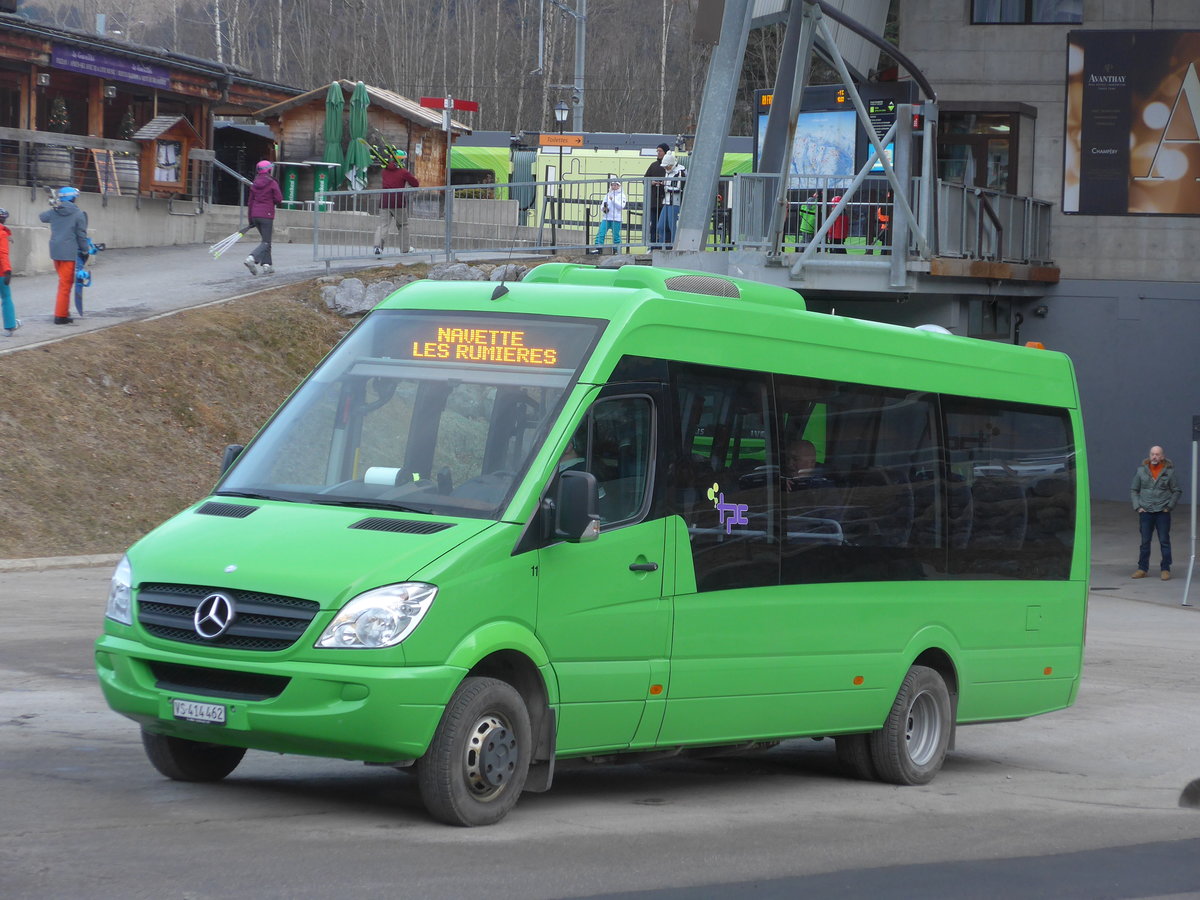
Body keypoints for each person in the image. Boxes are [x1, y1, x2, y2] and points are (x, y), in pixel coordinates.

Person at [38, 186, 88, 325]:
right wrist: (85, 250)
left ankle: (64, 311)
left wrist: (54, 205)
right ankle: (60, 316)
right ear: (72, 198)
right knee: (65, 285)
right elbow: (81, 235)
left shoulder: (55, 211)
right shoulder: (79, 214)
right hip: (69, 253)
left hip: (55, 252)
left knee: (63, 282)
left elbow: (42, 217)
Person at [1130, 445, 1182, 580]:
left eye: (1157, 454)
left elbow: (1176, 490)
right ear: (1149, 455)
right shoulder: (1141, 471)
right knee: (1145, 541)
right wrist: (1137, 507)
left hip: (1162, 512)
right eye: (1152, 454)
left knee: (1164, 541)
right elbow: (1134, 490)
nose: (1154, 457)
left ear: (1162, 456)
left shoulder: (1169, 472)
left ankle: (1165, 569)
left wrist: (1169, 506)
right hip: (1146, 511)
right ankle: (1142, 568)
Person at [373, 148, 420, 255]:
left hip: (384, 201)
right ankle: (405, 248)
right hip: (398, 202)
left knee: (383, 225)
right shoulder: (403, 172)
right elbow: (415, 183)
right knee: (403, 225)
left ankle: (378, 247)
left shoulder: (385, 171)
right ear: (401, 160)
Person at [244, 160, 282, 276]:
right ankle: (251, 258)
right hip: (267, 215)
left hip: (255, 214)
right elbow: (279, 198)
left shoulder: (254, 184)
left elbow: (250, 202)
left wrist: (250, 220)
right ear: (269, 170)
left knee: (266, 240)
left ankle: (267, 265)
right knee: (266, 242)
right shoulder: (272, 183)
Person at [655, 151, 687, 249]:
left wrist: (665, 187)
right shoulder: (668, 171)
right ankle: (663, 247)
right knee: (661, 226)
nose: (665, 168)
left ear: (671, 164)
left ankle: (675, 248)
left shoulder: (680, 171)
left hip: (675, 202)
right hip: (666, 201)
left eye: (667, 166)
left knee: (673, 227)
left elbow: (680, 188)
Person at [643, 142, 669, 247]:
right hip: (654, 202)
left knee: (664, 225)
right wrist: (652, 182)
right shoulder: (653, 165)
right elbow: (645, 179)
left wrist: (664, 183)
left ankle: (665, 245)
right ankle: (653, 246)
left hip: (665, 201)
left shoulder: (669, 166)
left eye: (660, 151)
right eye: (657, 151)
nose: (658, 153)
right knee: (653, 225)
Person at [593, 176, 627, 252]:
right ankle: (598, 248)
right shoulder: (607, 195)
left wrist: (613, 200)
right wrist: (604, 209)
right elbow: (602, 205)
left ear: (619, 186)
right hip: (606, 217)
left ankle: (617, 250)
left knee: (616, 236)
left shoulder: (622, 195)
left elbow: (621, 206)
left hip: (616, 218)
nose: (614, 186)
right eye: (612, 185)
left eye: (616, 185)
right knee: (601, 233)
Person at [0, 207, 17, 336]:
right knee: (6, 298)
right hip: (1, 273)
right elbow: (3, 253)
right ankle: (10, 325)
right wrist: (8, 270)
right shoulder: (2, 234)